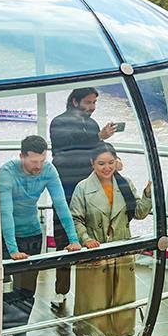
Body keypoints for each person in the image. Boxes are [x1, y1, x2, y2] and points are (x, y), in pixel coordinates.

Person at [0, 135, 81, 336]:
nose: (38, 167)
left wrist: (74, 240)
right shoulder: (6, 173)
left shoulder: (48, 170)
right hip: (6, 237)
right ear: (22, 156)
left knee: (26, 294)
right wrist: (13, 250)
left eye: (41, 161)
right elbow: (5, 214)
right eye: (33, 161)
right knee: (2, 296)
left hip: (33, 235)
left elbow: (61, 205)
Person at [69, 144, 152, 336]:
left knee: (119, 294)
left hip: (121, 249)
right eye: (101, 163)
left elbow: (139, 213)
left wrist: (148, 195)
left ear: (117, 162)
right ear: (92, 164)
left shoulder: (124, 184)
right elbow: (75, 218)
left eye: (111, 163)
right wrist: (86, 239)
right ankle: (89, 335)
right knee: (94, 297)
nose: (107, 168)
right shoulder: (83, 188)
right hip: (96, 250)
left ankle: (116, 333)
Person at [49, 88, 121, 311]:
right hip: (66, 188)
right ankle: (61, 293)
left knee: (91, 236)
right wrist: (98, 136)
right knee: (65, 238)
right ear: (74, 101)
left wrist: (114, 159)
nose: (92, 107)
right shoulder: (59, 122)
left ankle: (93, 292)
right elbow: (68, 144)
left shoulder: (91, 125)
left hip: (89, 188)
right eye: (88, 102)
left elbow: (99, 149)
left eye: (94, 103)